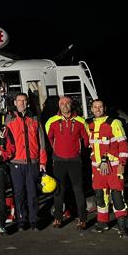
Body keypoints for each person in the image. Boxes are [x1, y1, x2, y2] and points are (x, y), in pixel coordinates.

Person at [44, 96, 90, 230]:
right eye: (62, 103)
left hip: (75, 161)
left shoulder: (81, 121)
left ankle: (82, 219)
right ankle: (58, 218)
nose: (65, 106)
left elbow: (86, 141)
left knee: (78, 190)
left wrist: (78, 151)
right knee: (59, 191)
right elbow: (49, 140)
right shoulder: (52, 121)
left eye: (67, 103)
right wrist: (57, 151)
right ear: (59, 106)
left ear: (72, 105)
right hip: (59, 161)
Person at [5, 92, 48, 231]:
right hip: (16, 163)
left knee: (32, 193)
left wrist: (42, 162)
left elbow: (42, 141)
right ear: (15, 102)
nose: (21, 103)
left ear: (27, 102)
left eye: (24, 100)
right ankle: (22, 220)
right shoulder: (9, 118)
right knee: (19, 193)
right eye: (19, 100)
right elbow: (5, 140)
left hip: (33, 163)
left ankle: (34, 220)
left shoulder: (34, 118)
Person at [87, 99, 128, 237]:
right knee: (100, 196)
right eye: (95, 107)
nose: (97, 109)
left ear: (104, 108)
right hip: (97, 168)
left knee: (117, 196)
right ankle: (102, 223)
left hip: (114, 167)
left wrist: (122, 163)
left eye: (100, 107)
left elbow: (123, 145)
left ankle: (122, 227)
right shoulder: (90, 125)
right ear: (91, 109)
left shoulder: (114, 123)